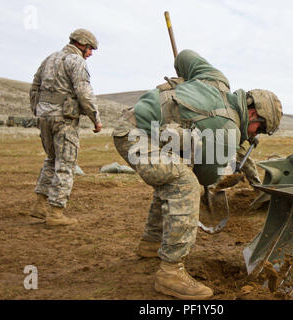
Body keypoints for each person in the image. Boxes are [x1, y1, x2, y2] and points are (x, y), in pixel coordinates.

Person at [112, 49, 282, 300]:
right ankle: (170, 272)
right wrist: (218, 169)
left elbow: (184, 57)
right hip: (137, 138)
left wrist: (188, 88)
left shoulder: (216, 79)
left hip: (133, 124)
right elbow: (206, 178)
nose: (255, 135)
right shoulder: (229, 131)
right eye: (260, 129)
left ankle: (151, 243)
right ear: (254, 113)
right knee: (185, 183)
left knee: (172, 174)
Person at [25, 28, 102, 226]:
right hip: (64, 119)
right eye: (90, 49)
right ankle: (56, 213)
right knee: (66, 164)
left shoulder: (49, 59)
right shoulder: (76, 62)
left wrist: (39, 110)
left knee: (51, 159)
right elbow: (84, 93)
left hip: (44, 117)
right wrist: (95, 118)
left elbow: (34, 86)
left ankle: (40, 205)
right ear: (82, 45)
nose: (91, 53)